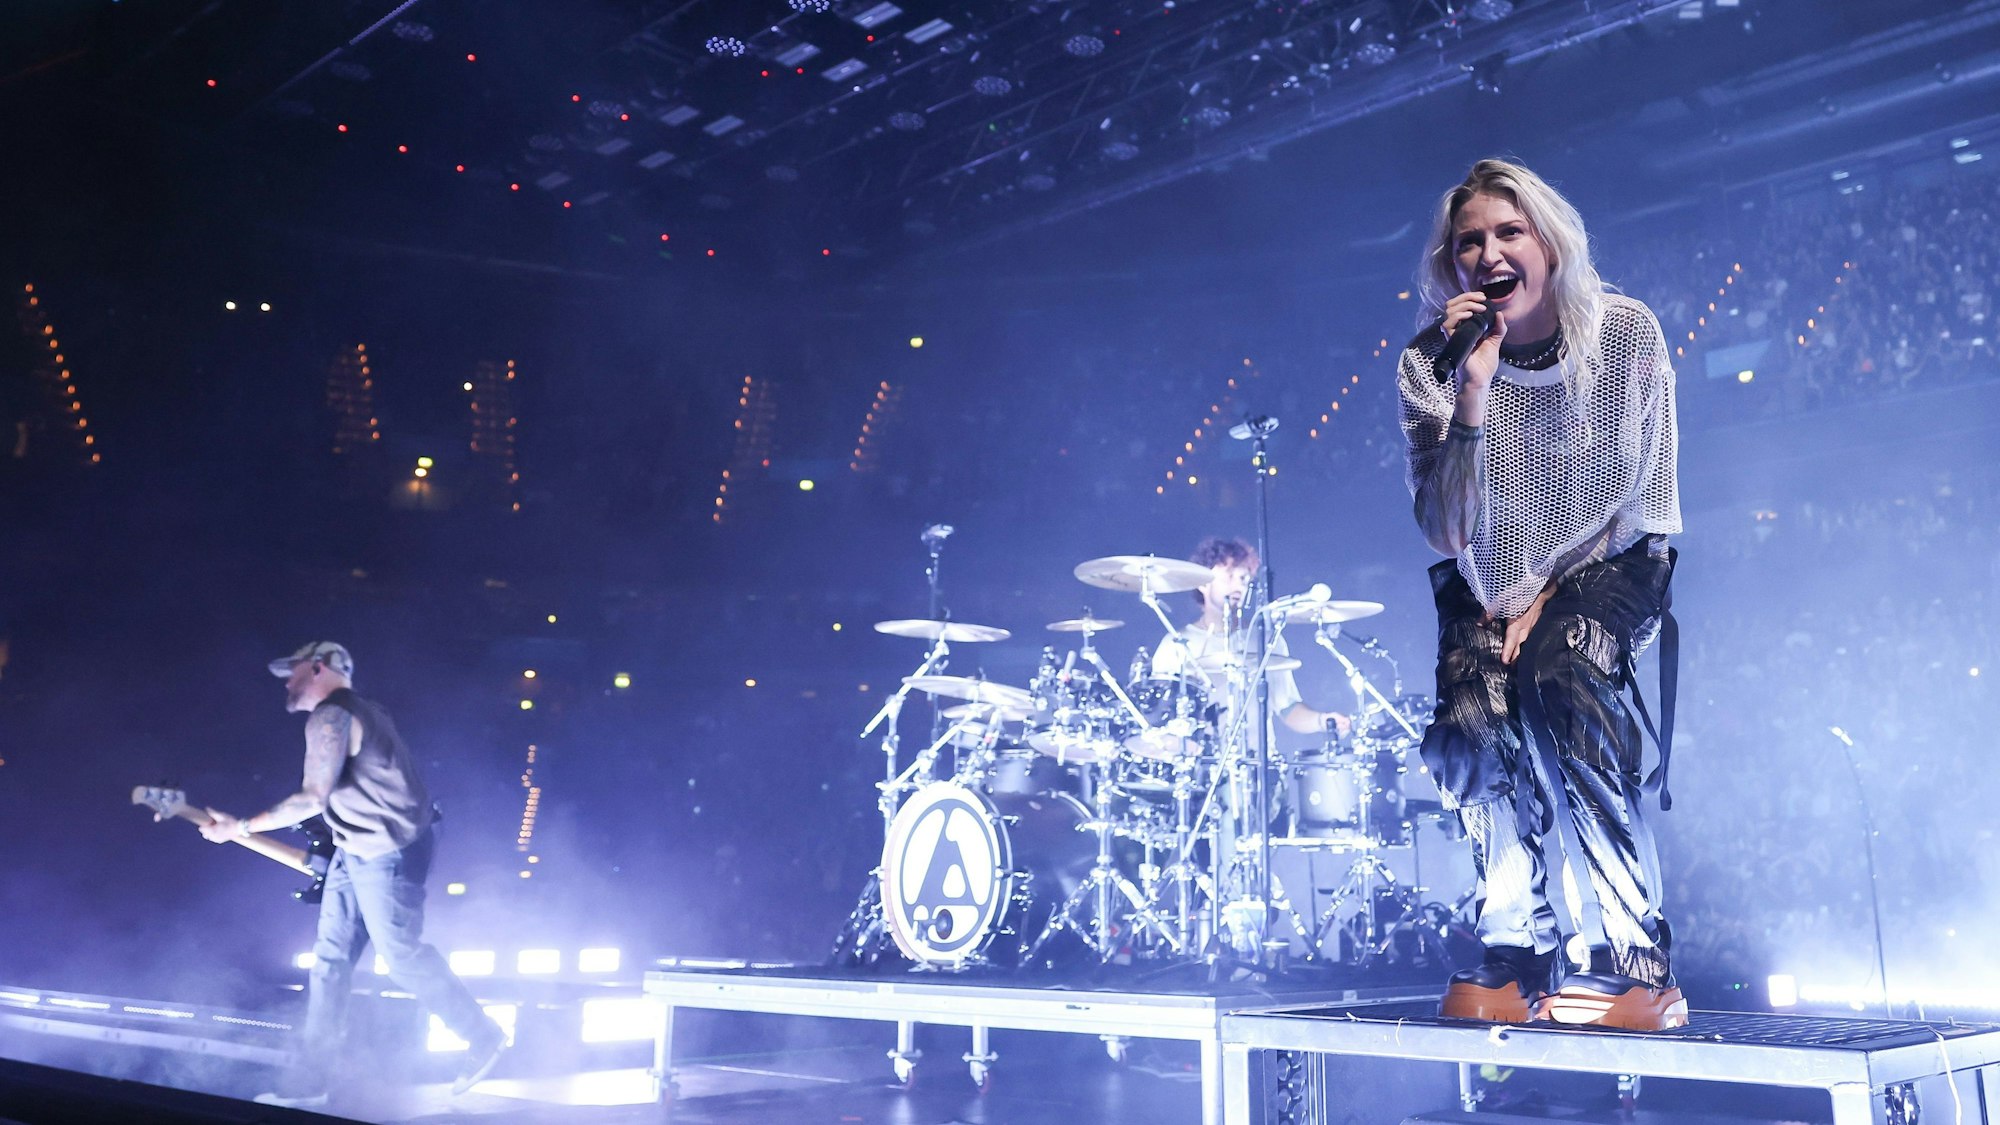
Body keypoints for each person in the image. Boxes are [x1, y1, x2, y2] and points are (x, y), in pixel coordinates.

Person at [1396, 160, 1684, 1030]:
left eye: (1507, 232)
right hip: (1486, 578)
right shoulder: (1430, 365)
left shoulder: (1625, 333)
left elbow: (1644, 492)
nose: (1488, 252)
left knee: (1560, 673)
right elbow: (1446, 529)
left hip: (1619, 557)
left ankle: (1638, 960)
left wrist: (1545, 597)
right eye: (1469, 241)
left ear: (1549, 243)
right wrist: (1473, 390)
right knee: (1470, 716)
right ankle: (1518, 949)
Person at [201, 641, 507, 1106]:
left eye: (294, 671)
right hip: (355, 849)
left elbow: (311, 797)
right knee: (329, 963)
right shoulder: (363, 710)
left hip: (389, 851)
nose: (287, 681)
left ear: (318, 668)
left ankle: (483, 1036)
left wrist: (241, 827)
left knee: (400, 954)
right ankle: (311, 1085)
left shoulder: (332, 715)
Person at [1152, 536, 1352, 741]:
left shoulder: (1265, 639)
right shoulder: (1175, 644)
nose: (1238, 585)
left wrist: (1323, 721)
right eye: (1229, 576)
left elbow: (1288, 708)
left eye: (1244, 579)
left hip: (1257, 766)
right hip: (1199, 764)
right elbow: (1158, 716)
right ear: (1203, 583)